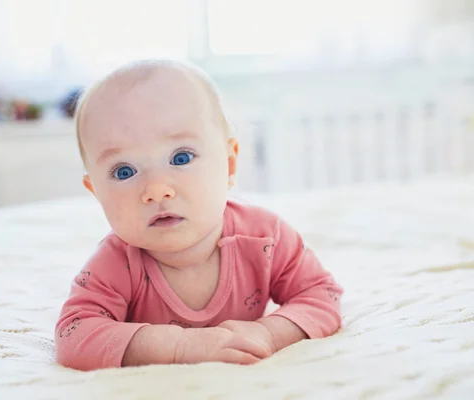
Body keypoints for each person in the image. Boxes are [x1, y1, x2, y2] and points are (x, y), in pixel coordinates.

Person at [55, 59, 343, 371]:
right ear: (96, 192)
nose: (156, 189)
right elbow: (74, 335)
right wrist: (181, 346)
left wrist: (269, 332)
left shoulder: (265, 238)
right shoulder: (115, 263)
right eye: (124, 171)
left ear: (229, 166)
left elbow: (321, 294)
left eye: (181, 157)